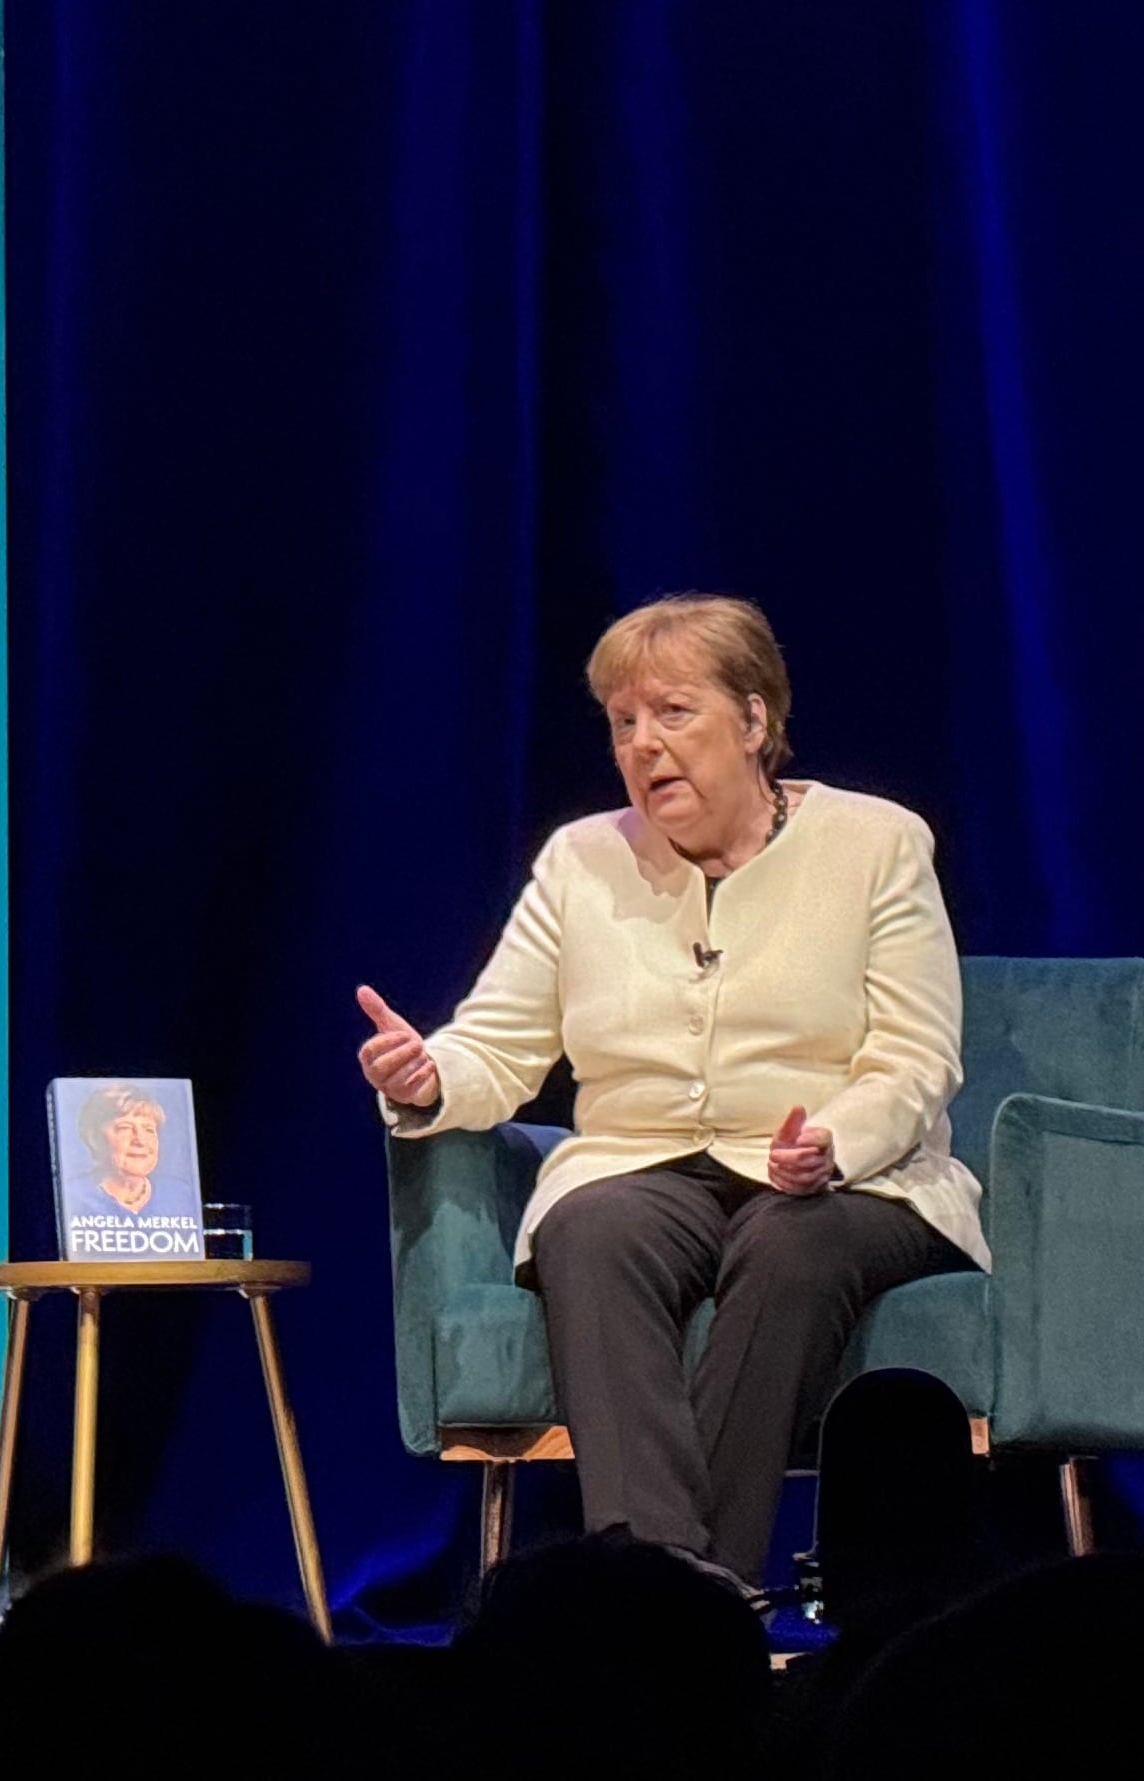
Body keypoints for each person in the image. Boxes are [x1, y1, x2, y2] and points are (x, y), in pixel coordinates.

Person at [354, 593, 981, 1589]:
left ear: (752, 720)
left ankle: (682, 1595)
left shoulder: (874, 843)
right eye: (621, 722)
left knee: (787, 1237)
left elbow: (914, 1052)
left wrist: (834, 1141)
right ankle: (671, 1587)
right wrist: (430, 1075)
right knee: (585, 1227)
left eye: (672, 713)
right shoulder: (580, 859)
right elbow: (501, 1043)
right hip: (645, 1163)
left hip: (853, 1180)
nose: (643, 745)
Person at [73, 1082, 198, 1222]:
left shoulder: (181, 1196)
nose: (140, 1140)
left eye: (149, 1130)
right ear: (94, 1138)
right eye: (124, 1128)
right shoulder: (74, 1197)